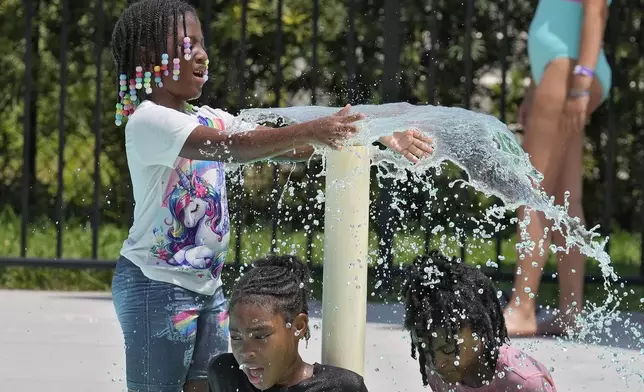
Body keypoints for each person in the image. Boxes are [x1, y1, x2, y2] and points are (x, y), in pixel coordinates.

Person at [109, 1, 432, 391]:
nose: (202, 56)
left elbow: (282, 145)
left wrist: (372, 134)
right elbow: (234, 147)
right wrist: (312, 130)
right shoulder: (148, 120)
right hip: (155, 285)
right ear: (148, 57)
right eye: (187, 46)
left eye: (202, 44)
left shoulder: (208, 116)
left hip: (205, 286)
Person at [505, 0, 612, 337]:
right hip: (559, 72)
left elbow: (596, 12)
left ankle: (522, 308)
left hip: (570, 70)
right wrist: (534, 91)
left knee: (534, 192)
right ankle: (570, 313)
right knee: (566, 202)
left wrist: (581, 82)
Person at [208, 255, 369, 392]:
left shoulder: (341, 387)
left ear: (298, 326)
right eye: (236, 337)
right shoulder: (226, 375)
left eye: (260, 336)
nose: (245, 352)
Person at [402, 251, 557, 391]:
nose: (437, 363)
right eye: (427, 352)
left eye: (448, 349)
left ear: (480, 329)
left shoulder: (525, 383)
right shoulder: (441, 374)